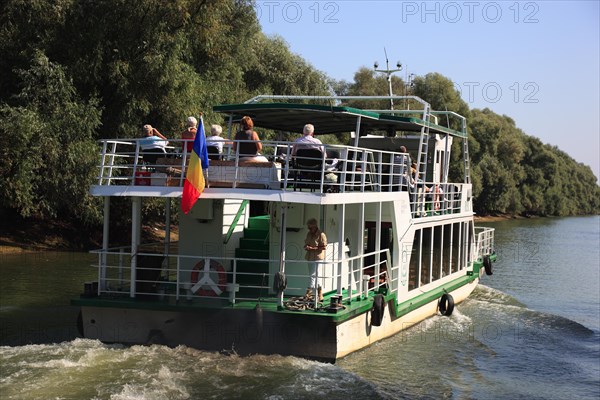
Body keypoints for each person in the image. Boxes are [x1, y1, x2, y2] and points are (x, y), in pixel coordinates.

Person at [303, 218, 327, 301]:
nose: (309, 229)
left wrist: (312, 248)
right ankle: (320, 294)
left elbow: (324, 247)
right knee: (314, 275)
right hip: (310, 256)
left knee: (313, 275)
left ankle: (308, 293)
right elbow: (306, 243)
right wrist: (306, 247)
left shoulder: (321, 234)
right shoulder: (309, 234)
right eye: (308, 228)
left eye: (311, 228)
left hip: (317, 257)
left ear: (315, 226)